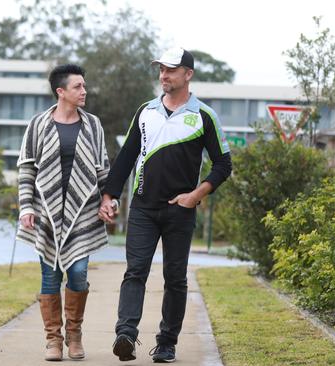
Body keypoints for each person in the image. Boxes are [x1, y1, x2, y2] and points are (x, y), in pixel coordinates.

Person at [99, 47, 232, 363]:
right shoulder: (145, 111)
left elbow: (223, 164)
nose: (164, 75)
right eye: (161, 69)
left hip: (180, 210)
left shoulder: (203, 116)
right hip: (143, 208)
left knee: (175, 277)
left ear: (188, 74)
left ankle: (167, 343)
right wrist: (109, 195)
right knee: (135, 271)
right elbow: (127, 156)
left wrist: (195, 196)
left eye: (171, 69)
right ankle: (126, 336)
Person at [16, 64, 110, 361]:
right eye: (78, 87)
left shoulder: (93, 125)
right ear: (61, 91)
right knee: (49, 277)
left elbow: (103, 169)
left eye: (84, 86)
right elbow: (27, 169)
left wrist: (110, 200)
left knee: (79, 274)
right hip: (46, 213)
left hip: (83, 213)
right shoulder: (39, 124)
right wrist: (26, 206)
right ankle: (53, 341)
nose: (84, 91)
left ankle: (75, 334)